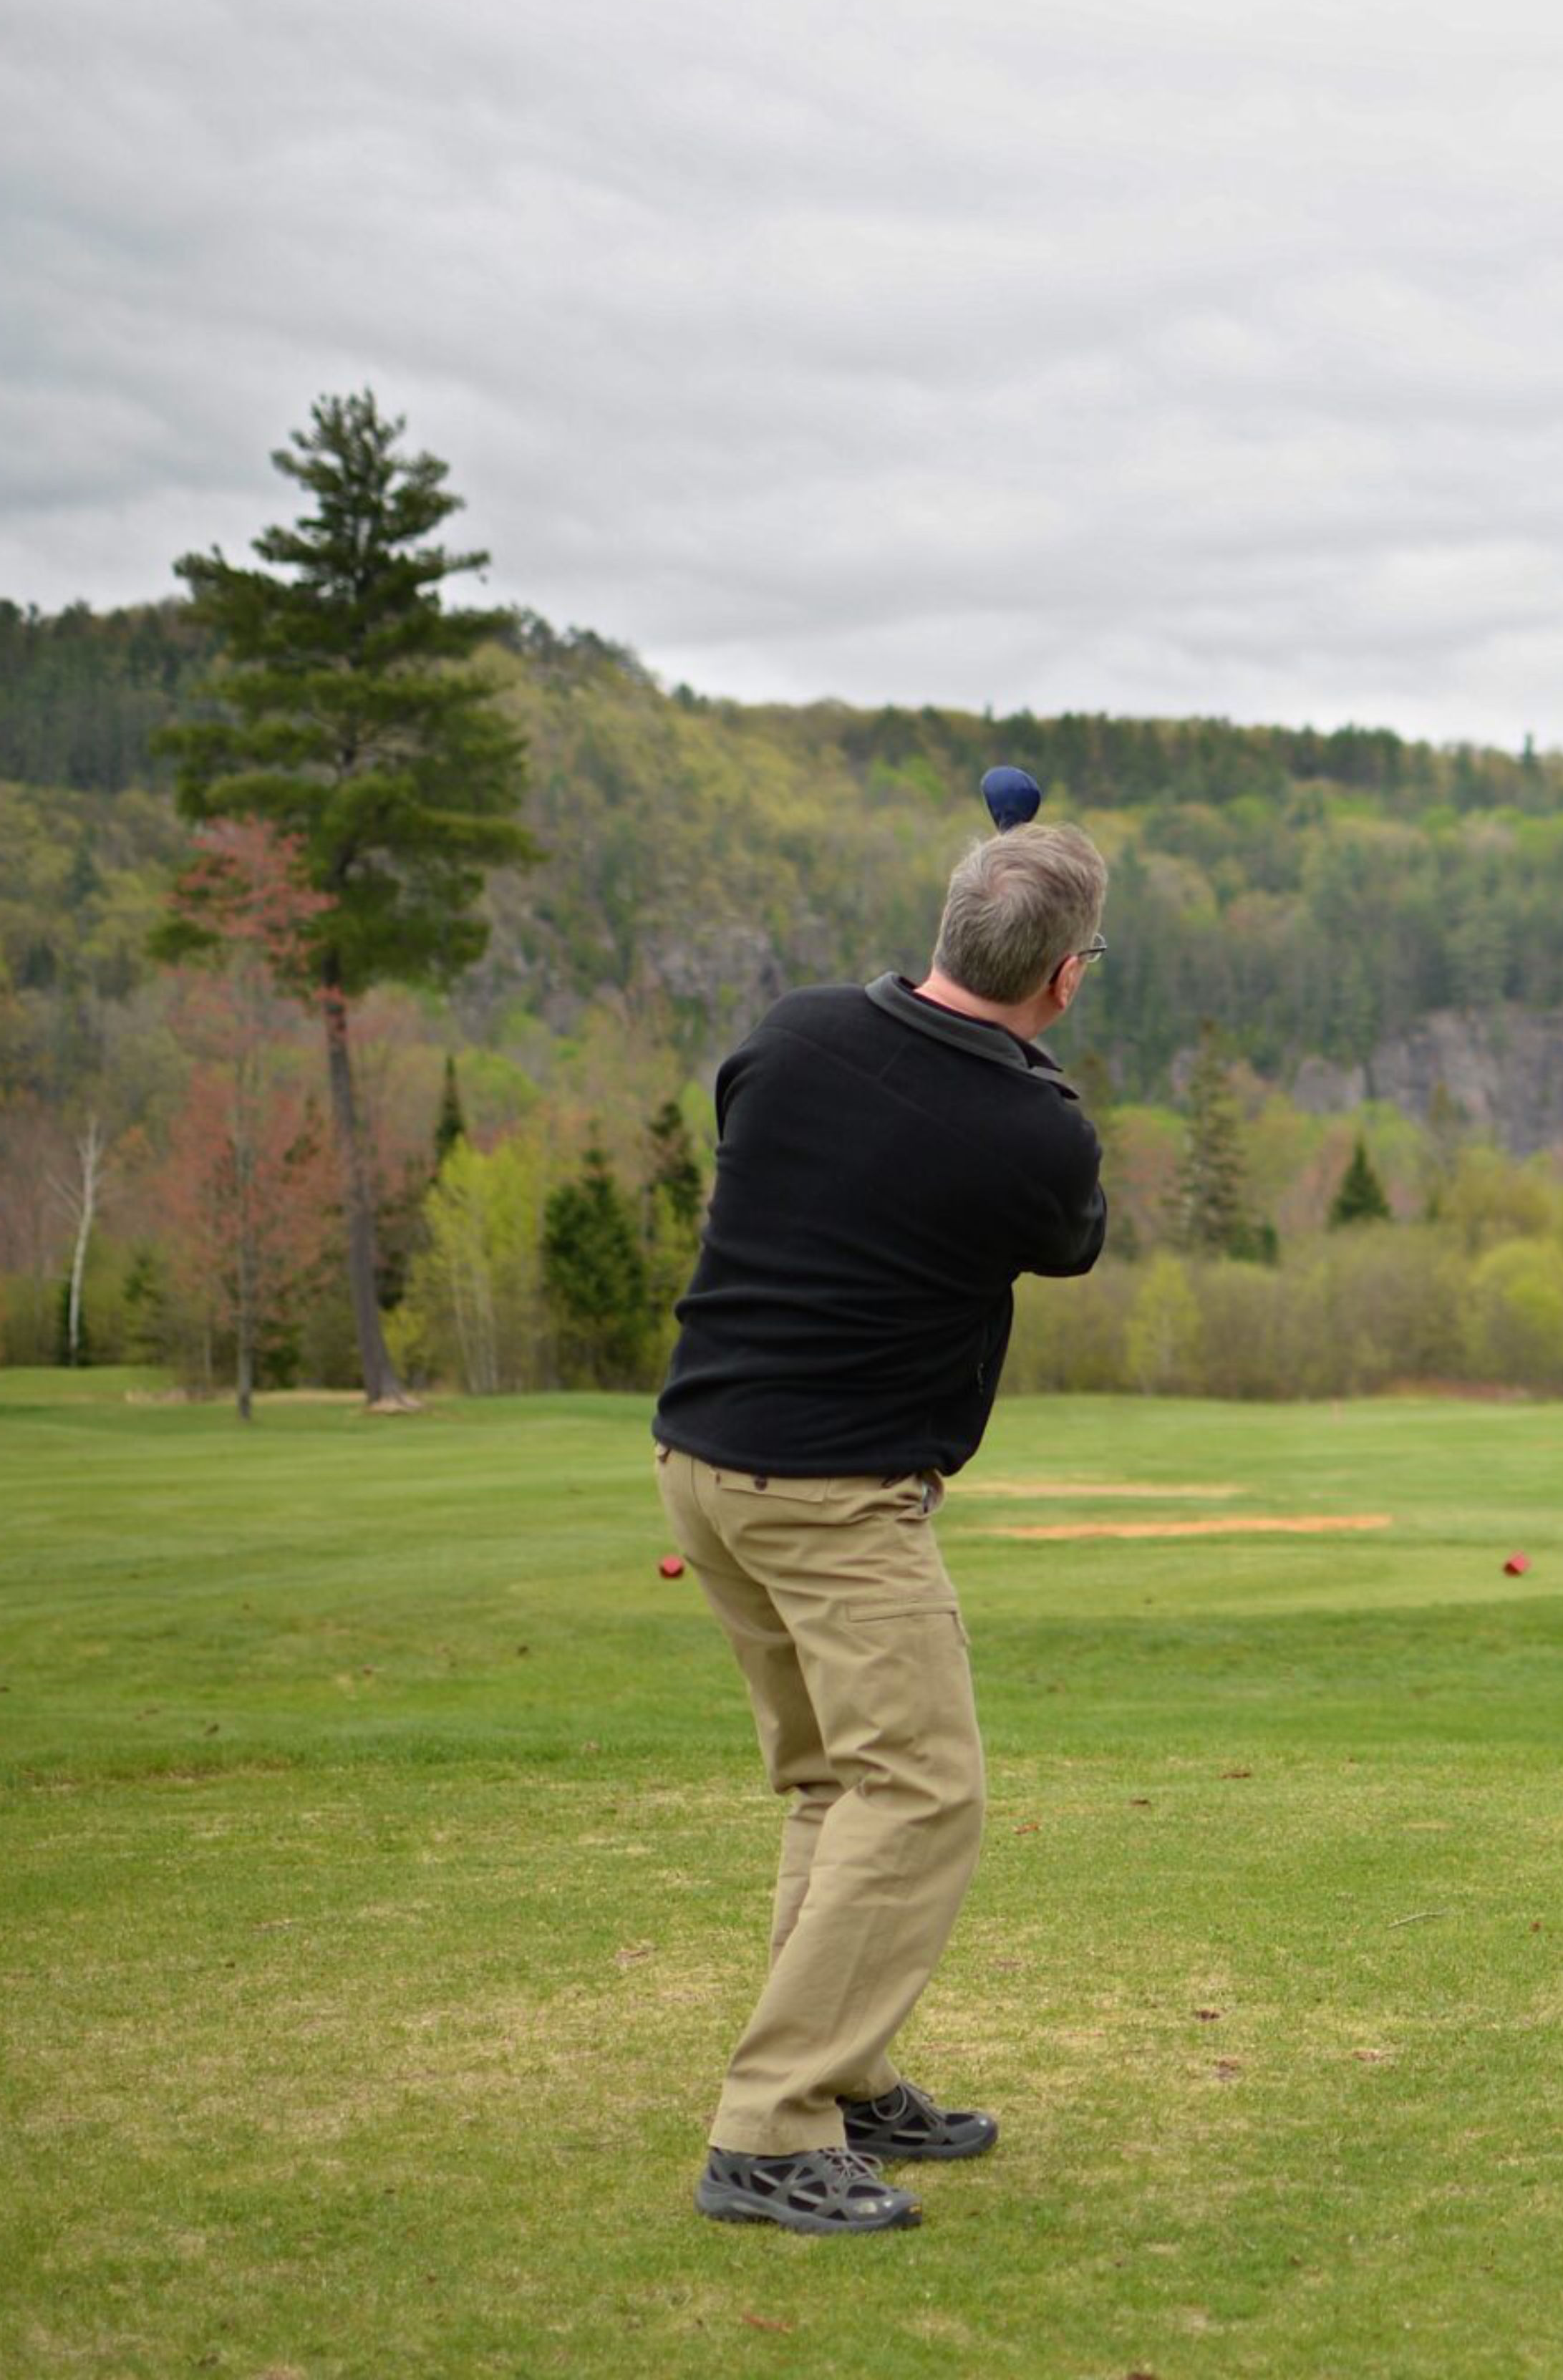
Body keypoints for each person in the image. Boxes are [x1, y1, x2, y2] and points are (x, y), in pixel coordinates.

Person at [651, 821, 1109, 2235]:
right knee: (920, 1789)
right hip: (837, 1500)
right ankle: (772, 2126)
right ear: (1068, 979)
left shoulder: (788, 1038)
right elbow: (1072, 1235)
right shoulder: (1035, 1128)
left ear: (947, 924)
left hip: (706, 1465)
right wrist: (1032, 1058)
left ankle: (840, 2084)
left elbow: (823, 1097)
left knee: (831, 1788)